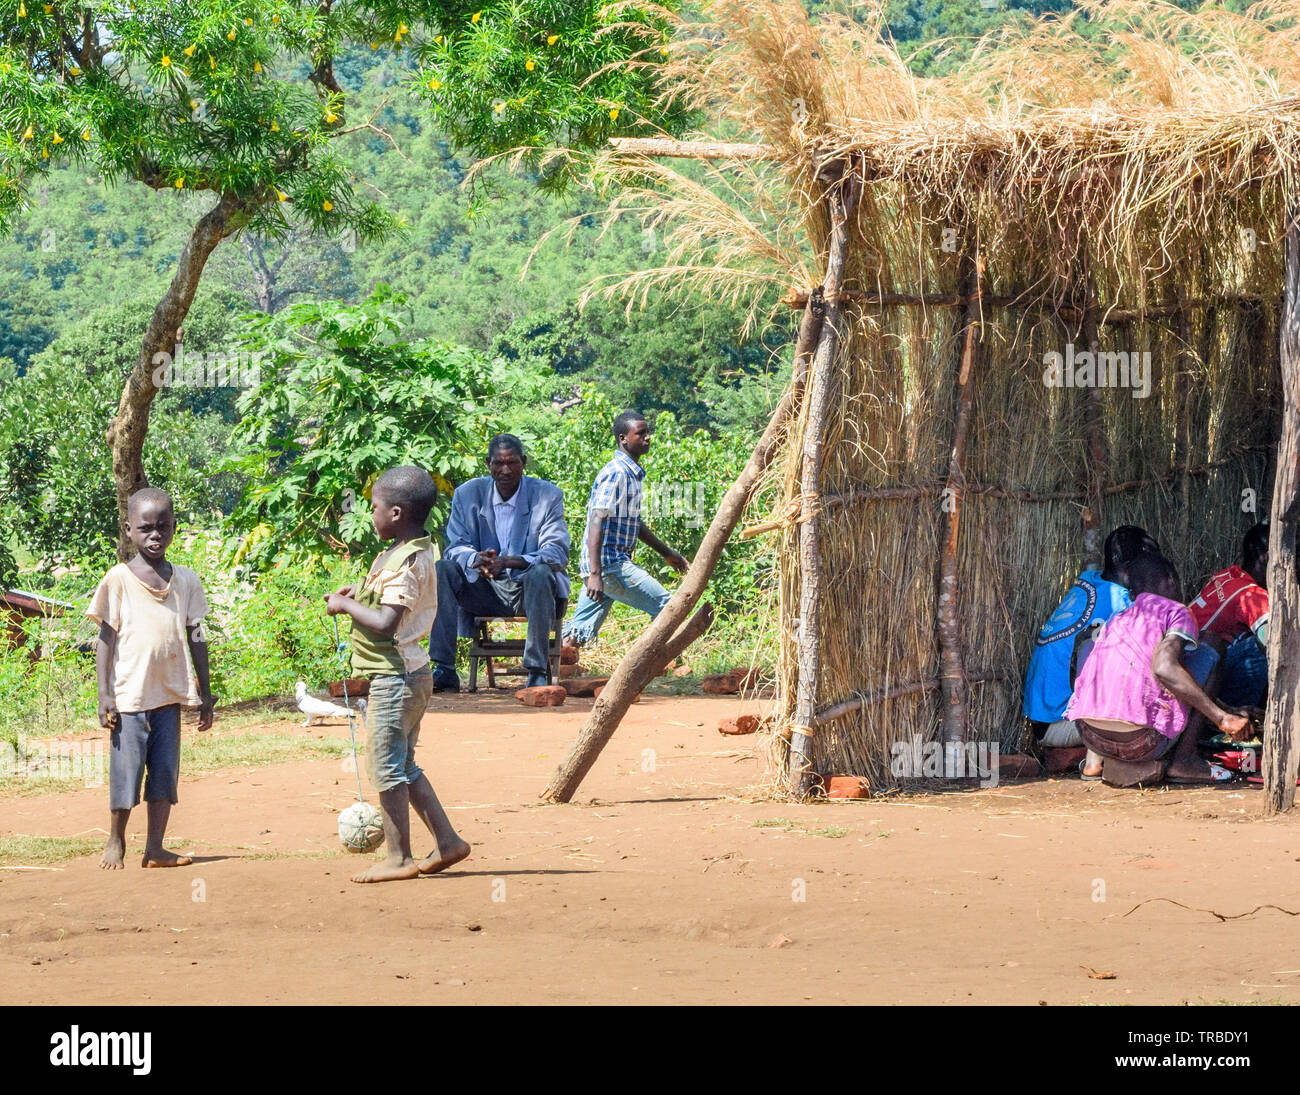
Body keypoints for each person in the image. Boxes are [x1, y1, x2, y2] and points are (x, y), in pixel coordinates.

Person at [326, 466, 470, 884]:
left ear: (396, 513)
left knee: (386, 769)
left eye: (373, 507)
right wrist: (358, 595)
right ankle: (448, 843)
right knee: (404, 766)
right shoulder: (405, 550)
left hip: (396, 678)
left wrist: (344, 607)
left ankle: (398, 857)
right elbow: (387, 601)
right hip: (409, 674)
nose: (369, 514)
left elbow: (387, 622)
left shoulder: (407, 561)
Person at [88, 487, 214, 870]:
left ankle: (155, 848)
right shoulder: (118, 579)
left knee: (163, 775)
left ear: (174, 528)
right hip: (128, 699)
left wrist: (205, 693)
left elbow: (197, 635)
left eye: (163, 527)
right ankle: (116, 839)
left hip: (169, 697)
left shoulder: (187, 581)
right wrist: (104, 693)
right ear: (128, 530)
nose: (155, 535)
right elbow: (105, 638)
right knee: (126, 776)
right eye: (145, 529)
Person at [1065, 553, 1250, 785]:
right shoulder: (1176, 611)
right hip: (1140, 743)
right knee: (1212, 645)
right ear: (1171, 580)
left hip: (1091, 736)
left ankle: (1093, 762)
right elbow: (1164, 669)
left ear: (1133, 592)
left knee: (1091, 649)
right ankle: (1185, 760)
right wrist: (1221, 718)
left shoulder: (1117, 617)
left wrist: (1226, 707)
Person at [427, 435, 570, 691]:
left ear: (523, 463)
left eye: (512, 463)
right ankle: (444, 669)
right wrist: (476, 559)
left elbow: (557, 551)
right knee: (443, 569)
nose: (505, 470)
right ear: (488, 464)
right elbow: (455, 545)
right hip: (485, 590)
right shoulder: (467, 494)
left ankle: (536, 670)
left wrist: (509, 562)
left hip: (529, 592)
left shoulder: (547, 496)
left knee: (540, 573)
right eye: (498, 463)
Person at [1023, 525, 1158, 747]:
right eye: (1149, 564)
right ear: (1125, 565)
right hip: (1064, 721)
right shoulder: (1121, 604)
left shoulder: (1091, 581)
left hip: (1043, 719)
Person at [564, 409, 690, 648]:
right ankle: (654, 666)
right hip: (608, 565)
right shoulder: (616, 473)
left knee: (579, 631)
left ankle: (550, 672)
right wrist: (595, 574)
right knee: (666, 606)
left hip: (605, 566)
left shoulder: (631, 474)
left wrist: (667, 554)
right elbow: (596, 520)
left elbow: (635, 525)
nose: (647, 438)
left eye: (647, 433)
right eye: (640, 434)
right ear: (623, 438)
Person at [1189, 522, 1270, 708]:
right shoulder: (1252, 594)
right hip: (1201, 678)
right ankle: (1239, 712)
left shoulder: (1229, 575)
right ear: (1266, 558)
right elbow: (1273, 646)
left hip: (1189, 665)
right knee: (1263, 648)